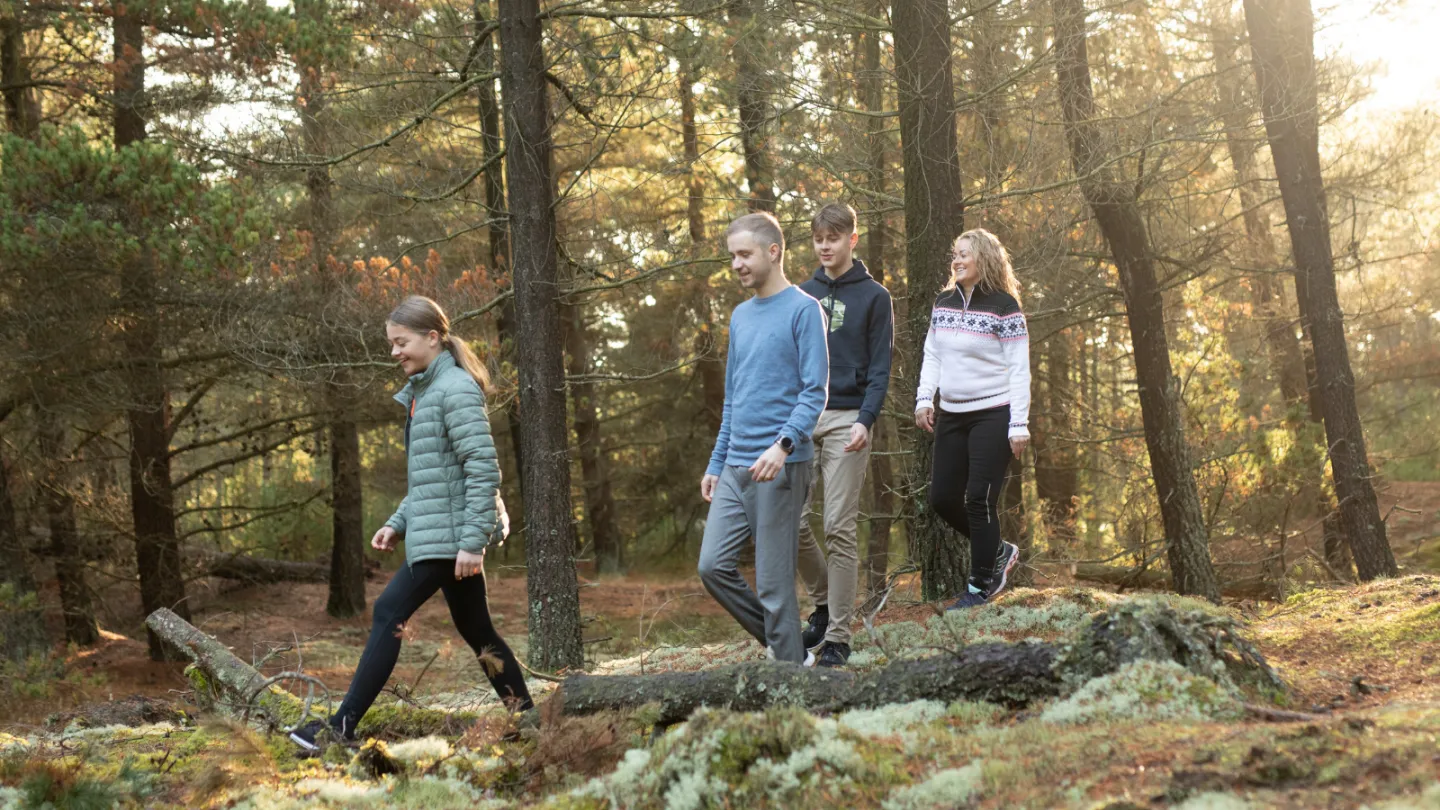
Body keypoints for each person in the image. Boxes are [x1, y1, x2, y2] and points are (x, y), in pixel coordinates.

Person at [291, 296, 532, 752]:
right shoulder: (428, 391)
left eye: (401, 342)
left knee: (387, 612)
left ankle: (341, 726)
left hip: (452, 540)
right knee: (478, 631)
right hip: (444, 531)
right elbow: (434, 480)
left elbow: (482, 468)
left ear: (432, 338)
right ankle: (531, 718)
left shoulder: (454, 389)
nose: (395, 352)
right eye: (391, 344)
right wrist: (397, 522)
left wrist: (472, 543)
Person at [699, 212, 829, 664]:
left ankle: (793, 676)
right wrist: (717, 463)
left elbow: (815, 392)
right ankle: (787, 647)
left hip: (782, 466)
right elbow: (733, 398)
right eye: (732, 255)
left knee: (775, 585)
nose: (736, 263)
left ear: (773, 252)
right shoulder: (740, 316)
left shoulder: (803, 309)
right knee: (712, 566)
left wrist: (784, 445)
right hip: (736, 467)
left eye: (744, 254)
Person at [794, 203, 894, 668]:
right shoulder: (800, 295)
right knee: (789, 522)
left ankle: (837, 637)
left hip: (849, 418)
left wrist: (866, 419)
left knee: (837, 526)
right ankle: (821, 603)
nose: (825, 246)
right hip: (802, 417)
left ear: (852, 239)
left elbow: (880, 367)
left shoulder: (875, 297)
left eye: (833, 238)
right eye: (818, 239)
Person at [914, 229, 1031, 610]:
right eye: (955, 253)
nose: (957, 260)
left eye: (965, 254)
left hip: (993, 414)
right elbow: (933, 354)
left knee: (979, 499)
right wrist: (923, 399)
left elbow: (1019, 369)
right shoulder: (944, 302)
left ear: (984, 258)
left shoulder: (1004, 306)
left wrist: (1018, 423)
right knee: (943, 498)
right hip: (951, 413)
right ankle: (998, 550)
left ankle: (981, 587)